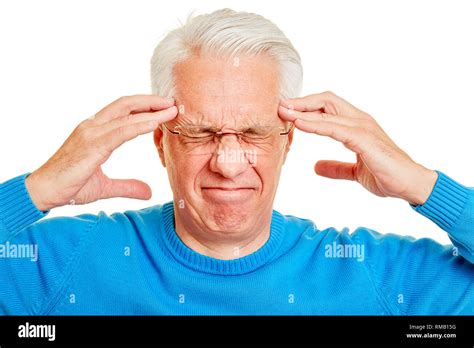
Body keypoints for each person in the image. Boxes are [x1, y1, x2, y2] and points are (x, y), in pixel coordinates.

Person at [0, 8, 473, 315]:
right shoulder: (63, 262)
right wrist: (35, 191)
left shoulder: (369, 272)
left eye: (253, 133)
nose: (228, 163)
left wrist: (423, 186)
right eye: (202, 133)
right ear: (160, 142)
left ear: (288, 141)